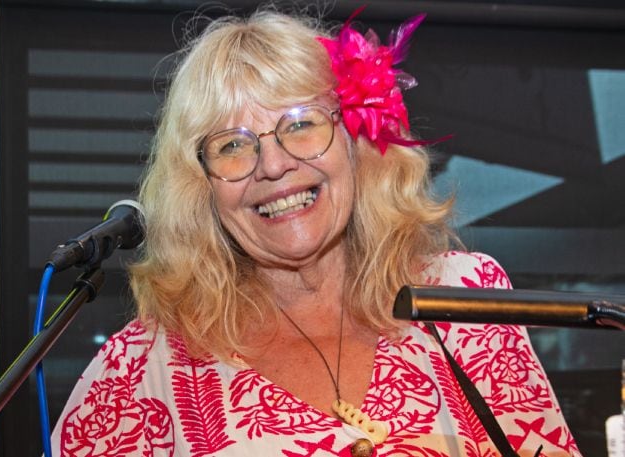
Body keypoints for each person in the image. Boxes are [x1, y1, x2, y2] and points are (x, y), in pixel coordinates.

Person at [52, 7, 581, 457]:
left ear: (356, 141)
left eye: (301, 123)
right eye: (232, 145)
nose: (274, 165)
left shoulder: (466, 301)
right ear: (203, 187)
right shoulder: (138, 372)